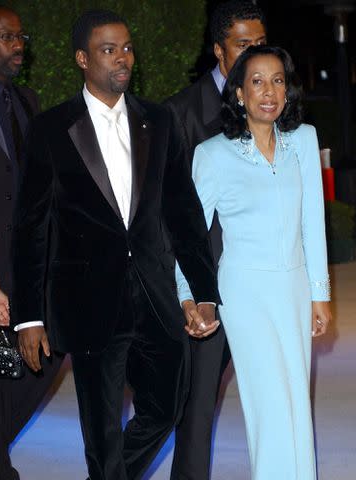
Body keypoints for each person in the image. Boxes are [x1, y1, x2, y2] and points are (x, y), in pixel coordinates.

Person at [10, 9, 220, 480]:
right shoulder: (50, 128)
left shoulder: (159, 121)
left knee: (168, 405)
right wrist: (29, 316)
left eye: (126, 48)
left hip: (154, 296)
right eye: (109, 50)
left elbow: (183, 214)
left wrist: (204, 291)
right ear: (83, 59)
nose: (122, 59)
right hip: (86, 303)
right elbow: (31, 229)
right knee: (102, 430)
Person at [176, 44, 332, 479]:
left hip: (295, 287)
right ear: (239, 94)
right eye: (257, 82)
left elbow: (313, 223)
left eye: (278, 80)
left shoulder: (304, 140)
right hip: (243, 293)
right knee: (269, 402)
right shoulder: (213, 154)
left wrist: (319, 294)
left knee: (297, 398)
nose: (269, 91)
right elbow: (189, 235)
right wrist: (190, 297)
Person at [165, 2, 267, 478]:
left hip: (265, 279)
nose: (255, 54)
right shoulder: (181, 114)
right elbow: (168, 212)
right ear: (218, 51)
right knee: (198, 402)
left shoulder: (273, 104)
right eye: (244, 44)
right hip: (208, 285)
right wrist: (186, 291)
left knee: (274, 397)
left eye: (261, 44)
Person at [0, 6, 63, 480]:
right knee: (1, 374)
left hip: (26, 267)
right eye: (5, 36)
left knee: (42, 355)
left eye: (20, 36)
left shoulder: (27, 101)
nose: (18, 45)